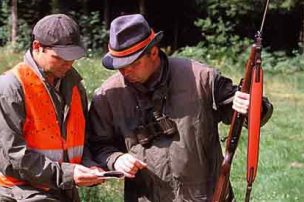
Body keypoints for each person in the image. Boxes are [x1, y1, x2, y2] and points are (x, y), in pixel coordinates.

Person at [87, 14, 273, 201]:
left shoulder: (201, 78)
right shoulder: (107, 96)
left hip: (205, 196)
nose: (126, 72)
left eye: (133, 64)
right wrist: (116, 159)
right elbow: (97, 145)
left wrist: (250, 106)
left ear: (153, 52)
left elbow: (248, 111)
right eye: (120, 66)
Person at [0, 14, 105, 201]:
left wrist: (89, 164)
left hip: (64, 188)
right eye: (60, 57)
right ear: (37, 47)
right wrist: (67, 173)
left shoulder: (74, 86)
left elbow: (81, 139)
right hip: (22, 193)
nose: (68, 63)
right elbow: (9, 155)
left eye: (73, 57)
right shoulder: (8, 89)